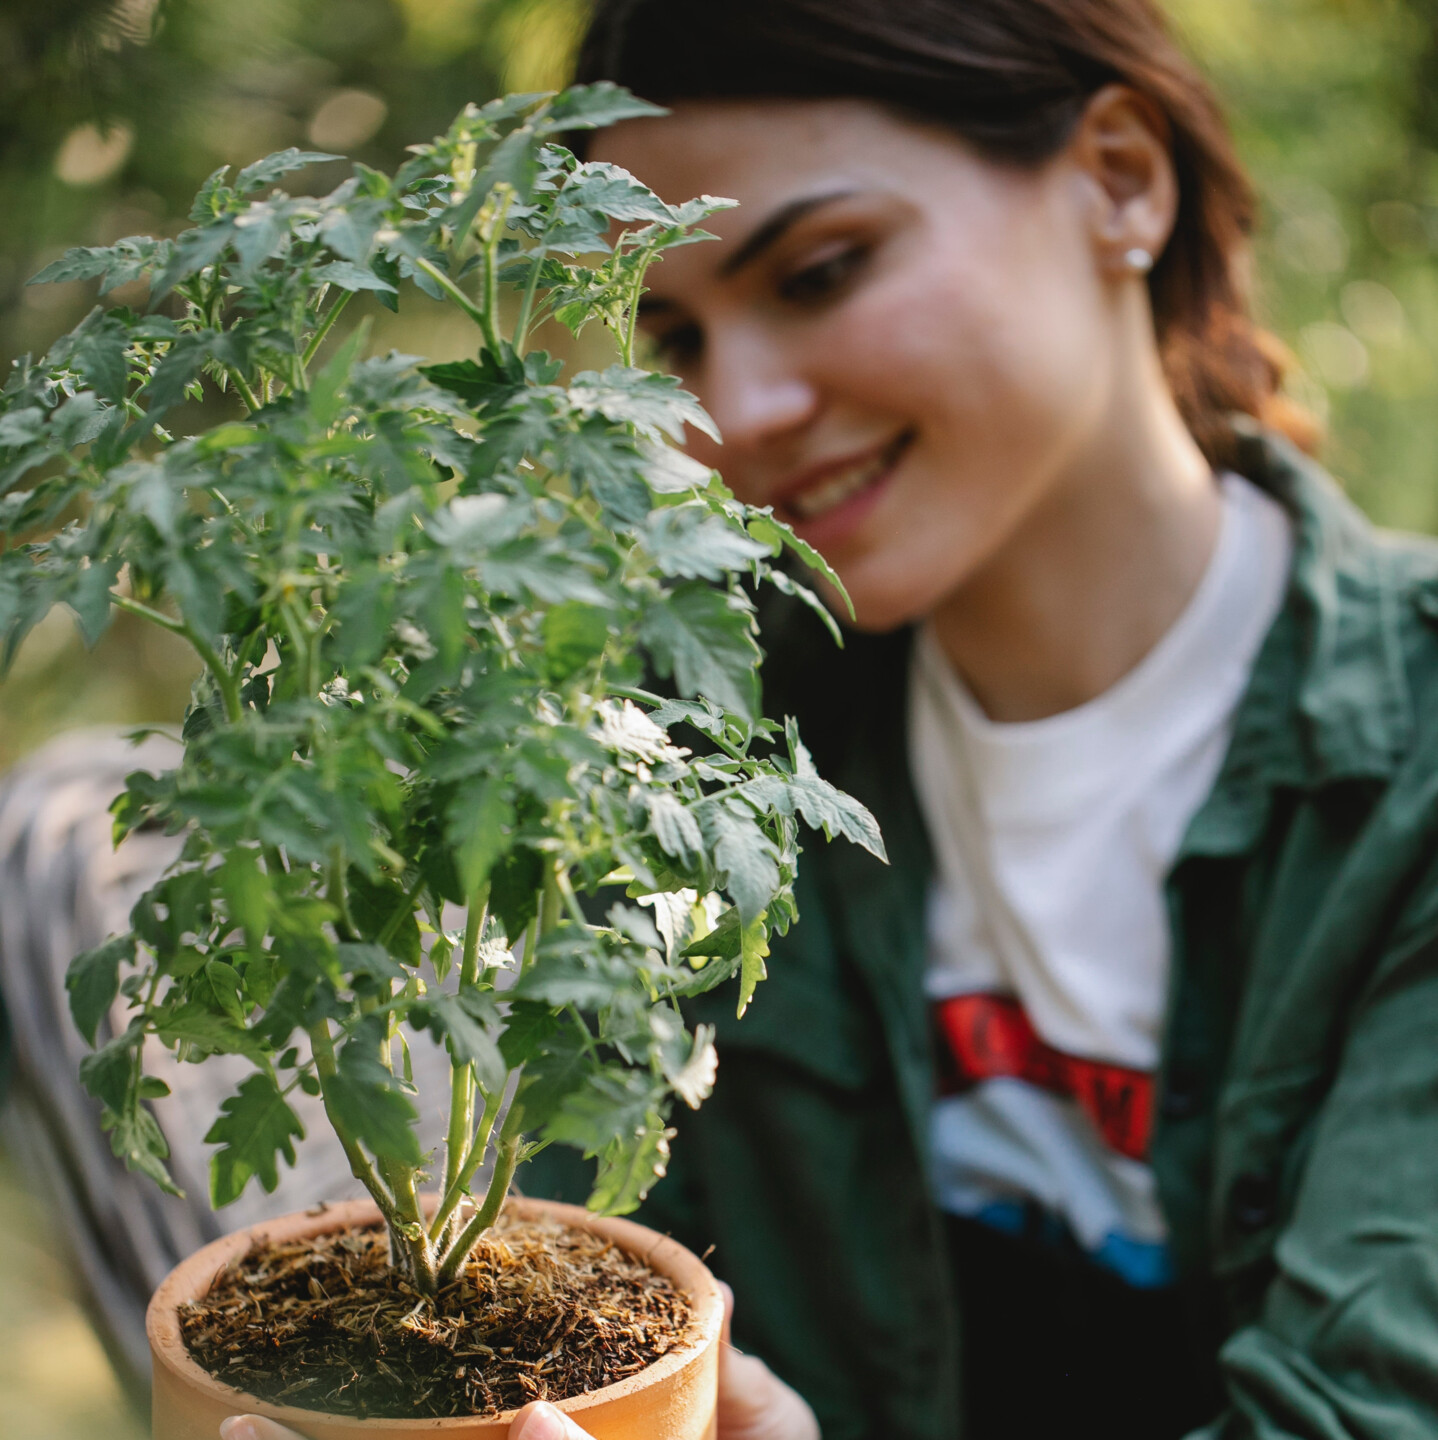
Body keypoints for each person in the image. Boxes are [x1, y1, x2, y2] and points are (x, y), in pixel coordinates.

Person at [172, 0, 1438, 1435]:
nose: (740, 412)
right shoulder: (663, 748)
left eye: (821, 273)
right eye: (676, 337)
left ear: (1119, 177)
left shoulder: (1406, 774)